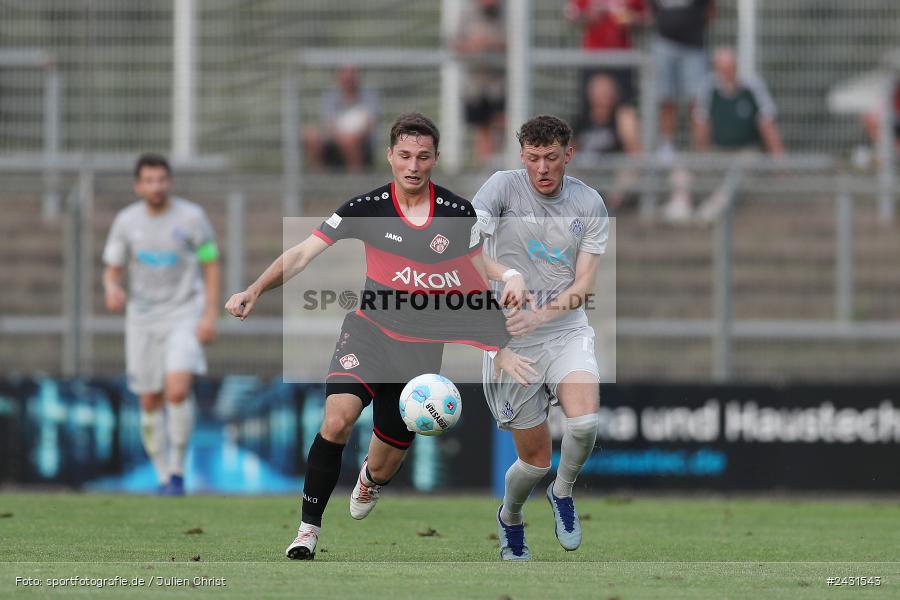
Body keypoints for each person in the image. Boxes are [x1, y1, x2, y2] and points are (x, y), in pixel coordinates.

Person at [225, 112, 537, 561]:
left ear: (435, 158)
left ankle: (370, 480)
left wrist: (503, 314)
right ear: (390, 156)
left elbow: (473, 273)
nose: (413, 165)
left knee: (384, 460)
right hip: (369, 333)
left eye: (423, 156)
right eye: (405, 155)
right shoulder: (366, 207)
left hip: (421, 352)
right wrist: (254, 289)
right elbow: (301, 254)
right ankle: (307, 531)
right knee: (336, 421)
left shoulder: (455, 213)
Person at [472, 115, 609, 561]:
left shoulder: (589, 203)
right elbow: (467, 253)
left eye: (551, 157)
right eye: (533, 158)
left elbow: (584, 285)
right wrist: (506, 275)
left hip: (565, 329)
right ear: (522, 157)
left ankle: (563, 493)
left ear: (569, 154)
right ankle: (511, 516)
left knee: (585, 423)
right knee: (534, 462)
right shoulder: (500, 189)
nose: (542, 168)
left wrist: (542, 315)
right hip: (511, 342)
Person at [102, 153, 220, 496]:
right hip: (141, 318)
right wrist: (112, 288)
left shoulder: (192, 217)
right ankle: (162, 474)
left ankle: (178, 471)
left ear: (169, 182)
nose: (156, 187)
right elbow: (113, 266)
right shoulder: (126, 222)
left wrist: (210, 313)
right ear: (138, 185)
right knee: (150, 399)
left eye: (161, 180)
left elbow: (211, 262)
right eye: (149, 181)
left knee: (178, 389)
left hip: (184, 311)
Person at [662, 46, 784, 223]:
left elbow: (767, 124)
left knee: (742, 168)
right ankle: (681, 205)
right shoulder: (709, 87)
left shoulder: (752, 86)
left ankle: (713, 209)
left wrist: (779, 162)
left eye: (729, 67)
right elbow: (701, 124)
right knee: (682, 165)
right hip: (717, 151)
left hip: (746, 152)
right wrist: (700, 155)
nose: (726, 73)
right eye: (721, 68)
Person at [648, 0, 716, 160]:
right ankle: (666, 147)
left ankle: (700, 150)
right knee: (666, 98)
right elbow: (652, 10)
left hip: (694, 47)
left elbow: (710, 10)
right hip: (664, 43)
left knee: (697, 102)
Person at [564, 0, 647, 115]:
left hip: (622, 60)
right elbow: (571, 15)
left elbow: (646, 17)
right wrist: (588, 16)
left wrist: (632, 18)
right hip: (593, 58)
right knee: (590, 107)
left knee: (624, 107)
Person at [573, 72, 643, 209]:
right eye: (598, 91)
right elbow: (570, 152)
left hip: (613, 173)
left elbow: (635, 153)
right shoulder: (582, 119)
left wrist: (626, 121)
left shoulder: (621, 118)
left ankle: (608, 209)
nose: (602, 95)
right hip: (588, 173)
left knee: (629, 170)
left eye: (606, 91)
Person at [453, 0, 506, 162]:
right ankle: (484, 168)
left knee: (500, 124)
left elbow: (516, 43)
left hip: (499, 84)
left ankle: (499, 164)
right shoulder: (467, 14)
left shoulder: (507, 13)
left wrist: (492, 43)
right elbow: (455, 43)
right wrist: (473, 45)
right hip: (475, 84)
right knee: (481, 128)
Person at [302, 65, 380, 173]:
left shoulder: (368, 96)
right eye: (345, 76)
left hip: (361, 143)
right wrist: (340, 136)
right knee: (309, 134)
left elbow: (369, 125)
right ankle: (318, 179)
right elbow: (329, 125)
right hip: (334, 140)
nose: (348, 80)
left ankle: (356, 180)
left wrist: (348, 137)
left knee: (349, 140)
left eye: (351, 76)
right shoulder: (330, 97)